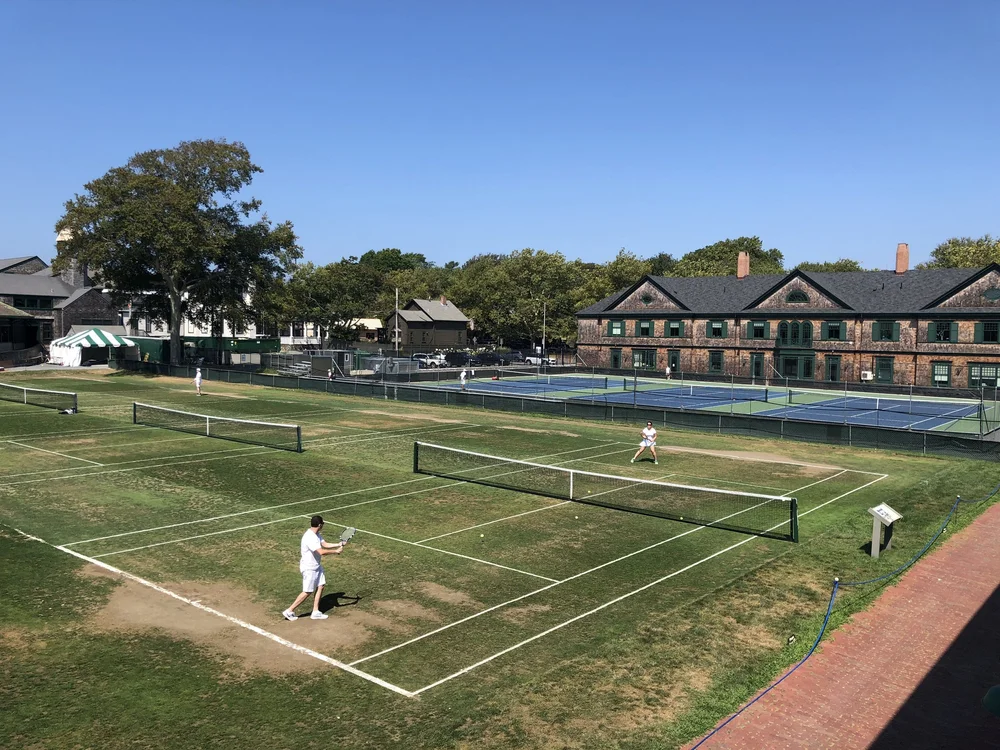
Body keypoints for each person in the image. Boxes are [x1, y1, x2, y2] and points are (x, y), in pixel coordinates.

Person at [283, 515, 344, 621]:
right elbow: (321, 552)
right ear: (320, 525)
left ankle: (315, 612)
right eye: (323, 524)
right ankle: (289, 610)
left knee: (321, 585)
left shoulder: (316, 534)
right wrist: (336, 551)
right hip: (309, 568)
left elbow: (324, 544)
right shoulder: (310, 537)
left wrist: (338, 544)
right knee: (307, 591)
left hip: (316, 566)